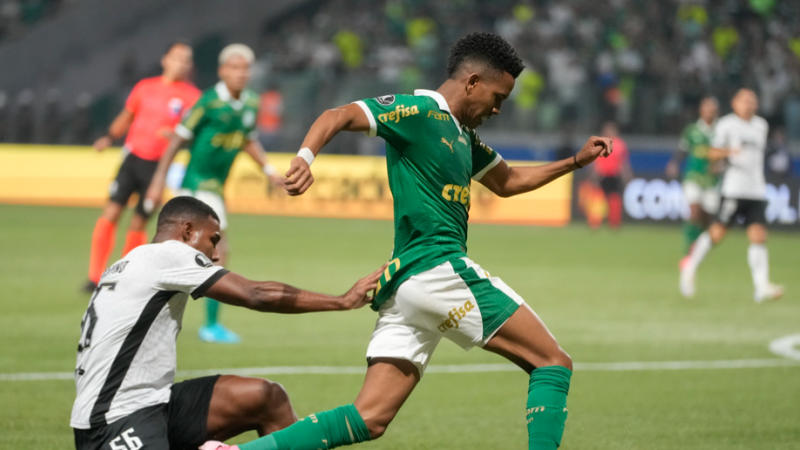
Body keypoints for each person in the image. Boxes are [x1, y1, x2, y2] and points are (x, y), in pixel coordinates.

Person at [201, 32, 612, 450]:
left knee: (369, 418)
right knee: (553, 363)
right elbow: (338, 114)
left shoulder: (463, 136)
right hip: (439, 270)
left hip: (404, 288)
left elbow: (507, 182)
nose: (497, 108)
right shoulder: (418, 110)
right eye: (497, 96)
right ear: (471, 82)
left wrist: (575, 161)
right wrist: (305, 158)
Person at [71, 196, 382, 450]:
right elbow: (256, 294)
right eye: (212, 240)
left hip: (154, 403)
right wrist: (341, 300)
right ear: (187, 231)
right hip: (113, 422)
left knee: (265, 398)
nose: (216, 254)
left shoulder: (129, 263)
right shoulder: (169, 255)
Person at [145, 43, 283, 344]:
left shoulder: (250, 103)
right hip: (197, 185)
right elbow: (177, 140)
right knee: (217, 252)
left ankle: (156, 307)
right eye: (234, 67)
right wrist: (158, 181)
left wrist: (270, 171)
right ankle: (209, 325)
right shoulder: (208, 102)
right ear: (222, 71)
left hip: (215, 189)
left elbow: (248, 140)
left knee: (179, 253)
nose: (240, 73)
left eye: (245, 68)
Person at [84, 41, 200, 292]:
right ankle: (94, 276)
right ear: (165, 59)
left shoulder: (193, 97)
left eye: (186, 59)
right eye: (177, 57)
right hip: (133, 158)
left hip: (158, 169)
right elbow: (126, 117)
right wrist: (109, 137)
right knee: (111, 213)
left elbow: (194, 134)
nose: (181, 62)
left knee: (139, 223)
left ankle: (124, 275)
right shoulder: (145, 87)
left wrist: (178, 137)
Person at [679, 89, 783, 302]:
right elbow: (711, 152)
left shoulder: (761, 125)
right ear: (735, 103)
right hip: (734, 189)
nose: (750, 104)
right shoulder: (726, 125)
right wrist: (728, 152)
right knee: (717, 233)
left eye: (753, 101)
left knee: (758, 236)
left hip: (756, 189)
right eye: (745, 100)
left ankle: (761, 286)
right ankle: (690, 266)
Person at [665, 96, 724, 256]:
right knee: (694, 211)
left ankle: (701, 244)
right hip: (693, 175)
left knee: (707, 218)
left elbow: (727, 153)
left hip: (712, 180)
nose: (709, 111)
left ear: (716, 111)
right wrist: (674, 163)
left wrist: (721, 165)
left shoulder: (722, 130)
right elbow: (682, 150)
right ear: (701, 110)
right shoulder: (692, 130)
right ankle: (690, 246)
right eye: (706, 108)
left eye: (712, 109)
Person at [588, 121, 632, 229]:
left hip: (614, 175)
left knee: (614, 200)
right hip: (602, 175)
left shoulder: (620, 144)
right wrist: (593, 175)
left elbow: (623, 162)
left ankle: (614, 223)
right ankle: (595, 223)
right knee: (598, 199)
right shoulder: (600, 143)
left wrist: (626, 175)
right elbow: (595, 161)